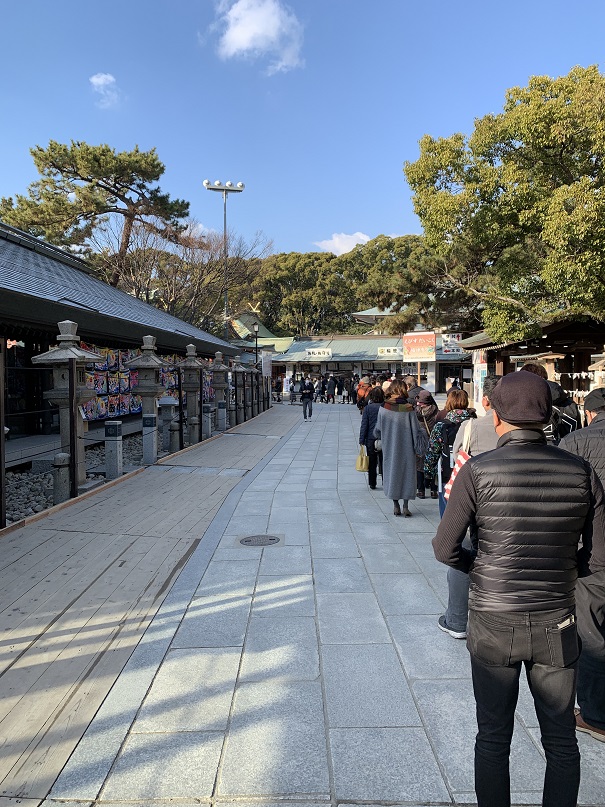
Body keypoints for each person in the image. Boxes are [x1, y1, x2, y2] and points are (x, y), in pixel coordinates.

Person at [432, 370, 605, 807]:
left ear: (497, 416)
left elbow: (444, 547)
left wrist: (482, 569)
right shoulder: (581, 471)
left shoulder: (477, 470)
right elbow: (599, 558)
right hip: (557, 620)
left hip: (493, 619)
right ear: (547, 415)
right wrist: (563, 573)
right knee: (561, 739)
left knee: (492, 736)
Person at [438, 374, 501, 640]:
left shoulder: (471, 427)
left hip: (476, 503)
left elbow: (457, 459)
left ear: (485, 400)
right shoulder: (536, 430)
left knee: (461, 549)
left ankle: (457, 620)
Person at [559, 387, 605, 741]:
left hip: (593, 555)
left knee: (592, 634)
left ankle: (596, 715)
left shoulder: (575, 442)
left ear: (588, 413)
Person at [374, 378, 426, 516]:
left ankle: (395, 505)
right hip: (407, 448)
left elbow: (378, 430)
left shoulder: (384, 408)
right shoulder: (408, 409)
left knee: (393, 474)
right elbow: (416, 430)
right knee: (407, 475)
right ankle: (406, 506)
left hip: (390, 447)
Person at [424, 389, 474, 516]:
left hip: (447, 471)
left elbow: (433, 450)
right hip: (469, 471)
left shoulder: (441, 425)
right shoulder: (473, 423)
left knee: (446, 506)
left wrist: (428, 471)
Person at [415, 389, 439, 499]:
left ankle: (421, 490)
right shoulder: (436, 411)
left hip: (420, 441)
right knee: (433, 464)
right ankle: (434, 491)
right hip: (433, 441)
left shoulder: (416, 412)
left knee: (419, 465)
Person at [359, 386, 385, 489]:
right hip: (384, 437)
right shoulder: (386, 407)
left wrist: (361, 439)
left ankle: (372, 482)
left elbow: (364, 424)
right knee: (384, 461)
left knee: (372, 461)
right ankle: (385, 481)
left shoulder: (368, 408)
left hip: (371, 437)